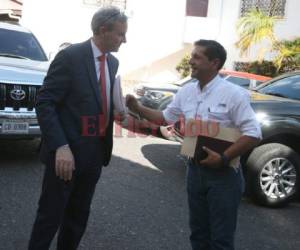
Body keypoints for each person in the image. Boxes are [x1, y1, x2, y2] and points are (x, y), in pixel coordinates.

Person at [126, 39, 262, 250]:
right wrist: (137, 106)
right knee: (198, 234)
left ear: (214, 63)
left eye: (197, 57)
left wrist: (224, 157)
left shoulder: (234, 94)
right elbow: (164, 118)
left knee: (221, 240)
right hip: (195, 172)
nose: (191, 61)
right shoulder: (187, 91)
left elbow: (254, 133)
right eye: (192, 56)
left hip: (224, 176)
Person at [28, 6, 127, 250]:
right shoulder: (70, 56)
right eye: (120, 34)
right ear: (103, 30)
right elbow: (45, 102)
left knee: (77, 218)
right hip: (66, 155)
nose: (124, 39)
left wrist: (115, 110)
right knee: (50, 217)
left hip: (94, 155)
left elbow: (95, 100)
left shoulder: (113, 63)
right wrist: (60, 146)